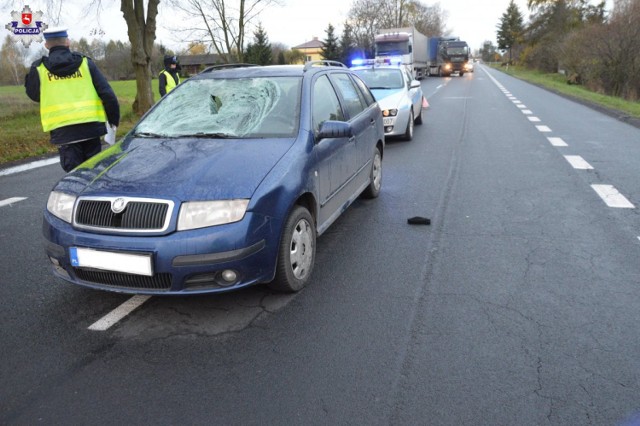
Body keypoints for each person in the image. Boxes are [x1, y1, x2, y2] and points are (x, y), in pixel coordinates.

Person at [25, 27, 120, 173]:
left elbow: (34, 95)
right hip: (91, 128)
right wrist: (113, 121)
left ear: (46, 45)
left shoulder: (39, 68)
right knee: (94, 174)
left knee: (74, 177)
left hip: (64, 132)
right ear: (67, 42)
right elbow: (107, 94)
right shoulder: (85, 64)